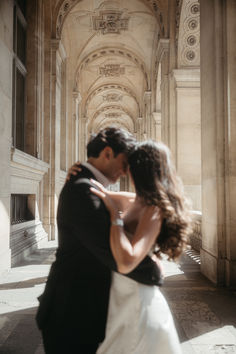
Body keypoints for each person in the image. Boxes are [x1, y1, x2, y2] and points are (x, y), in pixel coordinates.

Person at [35, 127, 163, 354]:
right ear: (107, 153)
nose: (125, 172)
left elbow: (144, 201)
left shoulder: (91, 185)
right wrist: (154, 271)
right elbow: (116, 257)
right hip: (71, 317)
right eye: (124, 163)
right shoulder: (84, 191)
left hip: (84, 312)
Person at [88, 140, 192, 354]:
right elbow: (90, 190)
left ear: (141, 171)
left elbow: (127, 262)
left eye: (130, 167)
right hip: (120, 299)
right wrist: (78, 171)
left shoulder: (153, 209)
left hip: (138, 302)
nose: (125, 173)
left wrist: (115, 217)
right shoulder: (134, 201)